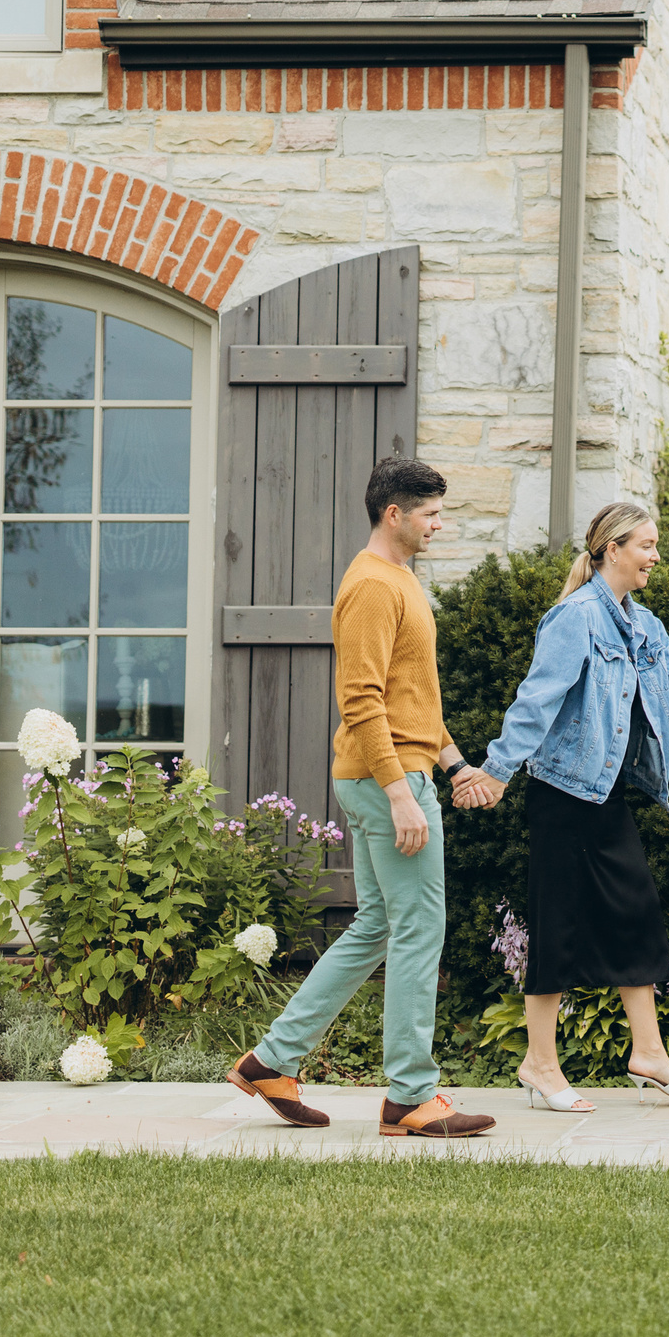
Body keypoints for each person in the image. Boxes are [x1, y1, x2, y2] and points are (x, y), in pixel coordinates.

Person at [453, 501, 669, 1112]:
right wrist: (496, 771)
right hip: (562, 794)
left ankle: (647, 1053)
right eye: (646, 545)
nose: (655, 556)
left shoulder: (643, 625)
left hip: (605, 793)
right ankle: (540, 1065)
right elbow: (536, 699)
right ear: (612, 550)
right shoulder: (575, 618)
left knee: (635, 913)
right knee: (557, 925)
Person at [227, 458, 494, 1139]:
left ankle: (271, 1060)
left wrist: (454, 764)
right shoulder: (373, 586)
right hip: (387, 780)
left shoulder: (399, 578)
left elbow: (412, 698)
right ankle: (411, 1095)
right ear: (393, 514)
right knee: (419, 929)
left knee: (376, 925)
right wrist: (402, 795)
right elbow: (361, 699)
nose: (440, 524)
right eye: (431, 514)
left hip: (394, 771)